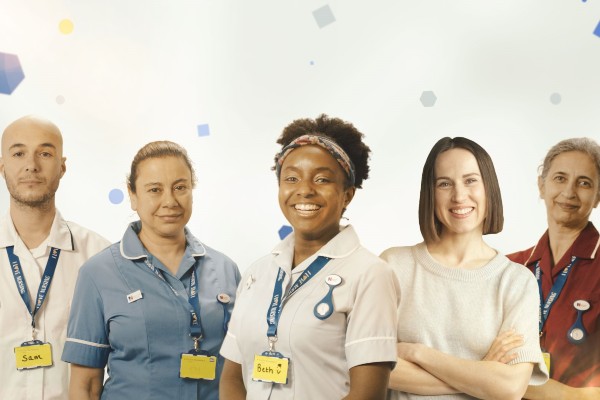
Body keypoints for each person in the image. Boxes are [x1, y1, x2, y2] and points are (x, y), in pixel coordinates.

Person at [219, 114, 399, 400]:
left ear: (347, 195)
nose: (304, 189)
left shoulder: (370, 275)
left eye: (322, 179)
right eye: (291, 178)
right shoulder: (257, 274)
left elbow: (367, 395)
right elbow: (231, 377)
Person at [62, 141, 241, 400]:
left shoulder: (226, 269)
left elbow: (238, 371)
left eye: (180, 187)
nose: (169, 201)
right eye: (155, 190)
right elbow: (85, 386)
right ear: (133, 196)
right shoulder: (98, 274)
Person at [382, 137, 548, 400]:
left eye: (470, 180)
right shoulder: (394, 266)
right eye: (444, 184)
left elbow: (509, 388)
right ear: (430, 193)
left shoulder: (516, 282)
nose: (459, 195)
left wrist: (418, 353)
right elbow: (372, 369)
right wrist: (481, 373)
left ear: (488, 189)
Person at [0, 115, 110, 400]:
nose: (31, 165)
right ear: (2, 165)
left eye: (45, 153)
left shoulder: (99, 257)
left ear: (62, 166)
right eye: (19, 153)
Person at [508, 137, 600, 399]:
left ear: (598, 196)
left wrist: (513, 384)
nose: (569, 192)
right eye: (560, 178)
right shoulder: (509, 268)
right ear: (541, 185)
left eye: (584, 183)